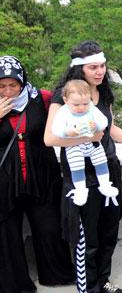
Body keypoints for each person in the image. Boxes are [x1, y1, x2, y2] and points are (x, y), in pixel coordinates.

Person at [44, 41, 122, 293]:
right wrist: (86, 138)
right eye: (93, 67)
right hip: (81, 178)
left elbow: (110, 129)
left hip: (108, 169)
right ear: (79, 69)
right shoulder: (63, 94)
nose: (100, 71)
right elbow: (50, 138)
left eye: (103, 66)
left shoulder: (103, 93)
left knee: (109, 231)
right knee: (86, 239)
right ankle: (89, 288)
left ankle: (103, 281)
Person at [0, 55, 75, 293]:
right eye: (1, 86)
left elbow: (77, 109)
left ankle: (56, 275)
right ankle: (15, 285)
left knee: (49, 227)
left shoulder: (40, 98)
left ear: (22, 82)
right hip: (4, 181)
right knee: (7, 234)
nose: (9, 91)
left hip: (42, 176)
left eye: (13, 85)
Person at [51, 80, 117, 206]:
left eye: (85, 103)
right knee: (77, 165)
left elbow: (104, 122)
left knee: (101, 160)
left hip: (93, 144)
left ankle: (105, 184)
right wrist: (68, 132)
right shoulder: (64, 112)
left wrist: (97, 125)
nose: (81, 108)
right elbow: (56, 129)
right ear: (66, 100)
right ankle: (80, 189)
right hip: (74, 145)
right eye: (76, 105)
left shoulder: (91, 109)